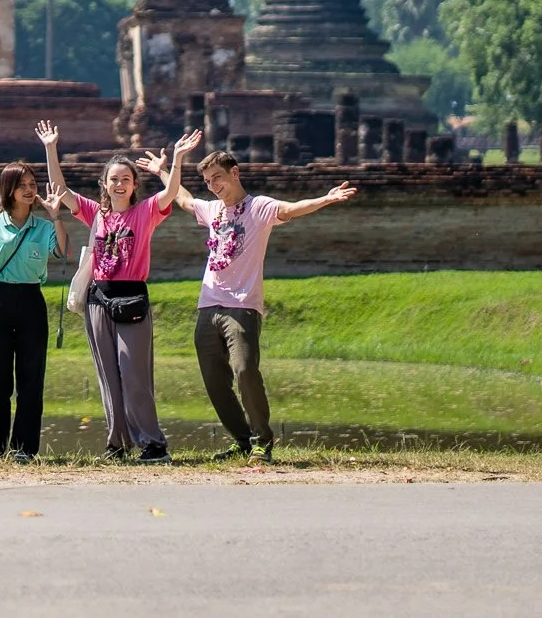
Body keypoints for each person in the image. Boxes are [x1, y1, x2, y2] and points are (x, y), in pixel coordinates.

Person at [174, 149, 358, 463]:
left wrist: (325, 199)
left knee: (245, 371)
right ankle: (242, 440)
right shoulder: (213, 210)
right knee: (214, 380)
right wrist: (167, 169)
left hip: (242, 306)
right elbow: (183, 199)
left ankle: (263, 439)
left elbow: (290, 210)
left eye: (217, 177)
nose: (213, 185)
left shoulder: (258, 207)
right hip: (208, 306)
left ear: (235, 173)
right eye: (207, 181)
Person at [42, 122, 200, 463]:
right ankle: (117, 443)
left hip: (131, 300)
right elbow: (59, 188)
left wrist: (177, 159)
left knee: (133, 374)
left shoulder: (145, 213)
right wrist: (51, 148)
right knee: (108, 376)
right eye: (113, 179)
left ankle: (153, 443)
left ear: (133, 185)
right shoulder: (95, 213)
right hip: (98, 299)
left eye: (125, 179)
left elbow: (171, 192)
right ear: (104, 184)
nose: (118, 184)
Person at [0, 149, 69, 462]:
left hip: (31, 301)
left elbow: (63, 251)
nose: (30, 189)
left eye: (32, 183)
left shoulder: (42, 227)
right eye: (22, 184)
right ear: (8, 189)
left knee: (31, 378)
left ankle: (24, 447)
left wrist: (55, 216)